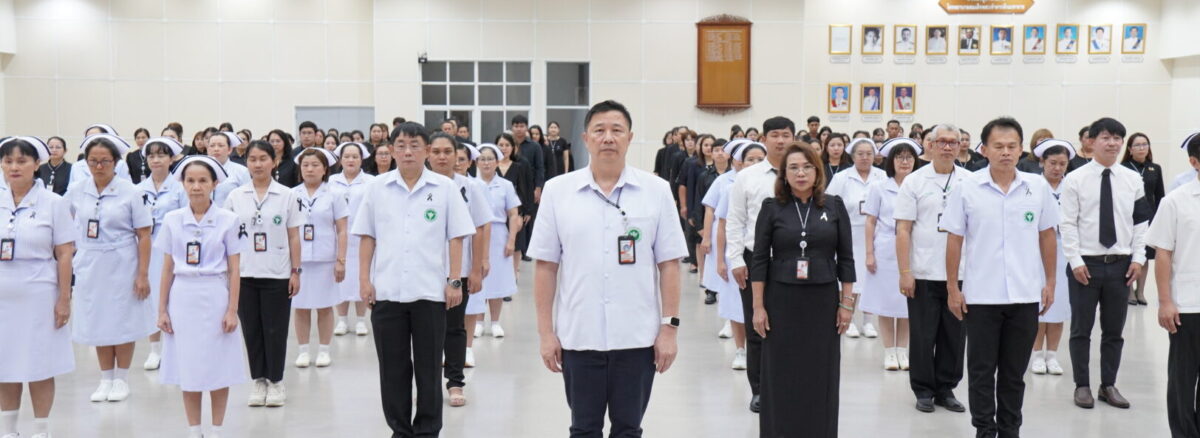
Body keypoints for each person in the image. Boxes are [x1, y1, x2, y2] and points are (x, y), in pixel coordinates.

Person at [530, 100, 686, 437]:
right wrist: (545, 333)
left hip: (637, 337)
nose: (608, 138)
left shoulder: (656, 191)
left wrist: (669, 329)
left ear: (630, 137)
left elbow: (670, 264)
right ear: (586, 138)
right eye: (599, 130)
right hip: (579, 336)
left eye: (617, 130)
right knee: (583, 429)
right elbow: (545, 266)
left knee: (628, 429)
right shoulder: (558, 191)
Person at [940, 117, 1059, 438]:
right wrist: (952, 288)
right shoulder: (967, 188)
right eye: (998, 146)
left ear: (1021, 150)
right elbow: (954, 239)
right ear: (984, 150)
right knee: (981, 372)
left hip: (1024, 295)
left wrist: (1050, 282)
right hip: (981, 297)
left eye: (1011, 146)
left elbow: (1047, 235)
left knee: (1013, 374)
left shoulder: (1036, 187)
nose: (1006, 152)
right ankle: (984, 429)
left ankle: (1010, 430)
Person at [354, 122, 475, 437]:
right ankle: (400, 430)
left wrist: (455, 281)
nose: (408, 152)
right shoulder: (377, 188)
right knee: (392, 369)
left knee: (429, 368)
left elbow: (456, 237)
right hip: (387, 292)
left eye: (415, 145)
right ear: (391, 150)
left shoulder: (445, 188)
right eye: (401, 145)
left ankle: (427, 430)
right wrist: (364, 280)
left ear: (426, 150)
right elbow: (367, 236)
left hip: (430, 293)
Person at [751, 143, 855, 438]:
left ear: (817, 171)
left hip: (822, 302)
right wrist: (758, 306)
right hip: (781, 302)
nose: (801, 173)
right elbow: (759, 259)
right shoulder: (772, 207)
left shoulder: (833, 206)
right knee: (781, 370)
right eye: (794, 167)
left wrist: (846, 303)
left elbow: (846, 258)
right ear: (784, 174)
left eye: (807, 167)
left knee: (820, 370)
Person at [154, 155, 246, 438]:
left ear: (214, 184)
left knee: (218, 366)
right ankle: (194, 430)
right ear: (182, 184)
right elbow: (167, 268)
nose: (196, 186)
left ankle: (216, 430)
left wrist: (232, 310)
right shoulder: (172, 220)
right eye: (190, 180)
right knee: (188, 367)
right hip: (183, 297)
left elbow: (234, 269)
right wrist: (162, 309)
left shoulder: (229, 220)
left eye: (203, 180)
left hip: (215, 295)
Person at [1060, 117, 1148, 409]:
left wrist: (1138, 258)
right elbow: (1067, 223)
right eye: (1106, 138)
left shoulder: (1132, 179)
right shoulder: (1075, 179)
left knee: (1114, 331)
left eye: (1117, 138)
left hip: (1121, 266)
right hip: (1085, 265)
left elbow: (1140, 223)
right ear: (1091, 141)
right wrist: (1075, 260)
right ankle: (1082, 385)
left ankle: (1108, 385)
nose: (1112, 143)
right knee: (1081, 330)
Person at [66, 133, 155, 404]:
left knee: (122, 319)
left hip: (122, 262)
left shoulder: (131, 191)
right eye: (93, 161)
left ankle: (121, 379)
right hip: (90, 263)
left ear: (116, 162)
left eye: (105, 160)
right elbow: (66, 223)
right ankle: (105, 378)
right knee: (98, 319)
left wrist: (142, 274)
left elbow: (144, 234)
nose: (99, 166)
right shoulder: (77, 190)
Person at [0, 137, 75, 438]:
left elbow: (65, 253)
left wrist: (64, 298)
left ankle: (41, 430)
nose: (14, 167)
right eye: (8, 161)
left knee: (39, 363)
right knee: (5, 363)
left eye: (21, 161)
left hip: (39, 293)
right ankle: (8, 430)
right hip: (3, 295)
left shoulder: (54, 203)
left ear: (36, 164)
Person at [894, 124, 969, 414]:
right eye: (942, 142)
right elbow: (903, 229)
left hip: (960, 274)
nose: (948, 147)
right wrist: (905, 272)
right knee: (923, 335)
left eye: (953, 142)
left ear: (960, 146)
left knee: (954, 335)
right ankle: (923, 389)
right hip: (923, 271)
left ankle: (946, 389)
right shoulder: (914, 181)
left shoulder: (970, 180)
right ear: (931, 145)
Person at [223, 141, 303, 408]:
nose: (257, 164)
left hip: (277, 273)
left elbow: (294, 236)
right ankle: (258, 380)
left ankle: (276, 381)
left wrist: (295, 271)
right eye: (252, 159)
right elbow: (228, 238)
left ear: (274, 162)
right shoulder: (236, 196)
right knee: (252, 331)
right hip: (245, 273)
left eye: (263, 159)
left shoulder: (287, 195)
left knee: (275, 330)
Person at [727, 115, 796, 413]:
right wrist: (734, 259)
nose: (780, 140)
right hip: (755, 258)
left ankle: (788, 387)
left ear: (793, 138)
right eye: (775, 135)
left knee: (791, 326)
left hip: (794, 261)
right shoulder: (748, 176)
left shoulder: (803, 172)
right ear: (764, 139)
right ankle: (759, 389)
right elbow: (735, 220)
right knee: (757, 326)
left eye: (786, 135)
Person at [427, 133, 492, 408]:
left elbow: (480, 228)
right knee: (426, 331)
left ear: (457, 156)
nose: (442, 157)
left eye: (448, 152)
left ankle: (455, 382)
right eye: (437, 152)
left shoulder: (470, 187)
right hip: (425, 270)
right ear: (428, 154)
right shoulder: (420, 185)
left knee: (454, 328)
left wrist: (476, 269)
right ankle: (428, 385)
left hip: (459, 270)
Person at [1148, 132, 1200, 437]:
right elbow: (1163, 253)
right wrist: (1165, 301)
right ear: (1194, 162)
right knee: (1182, 378)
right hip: (1188, 304)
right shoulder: (1175, 201)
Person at [863, 139, 920, 370]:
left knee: (906, 302)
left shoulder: (919, 185)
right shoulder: (878, 187)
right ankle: (889, 351)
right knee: (886, 302)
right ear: (891, 161)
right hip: (885, 247)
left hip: (913, 248)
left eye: (909, 157)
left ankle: (902, 351)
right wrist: (869, 253)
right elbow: (870, 221)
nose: (905, 162)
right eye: (899, 157)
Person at [290, 148, 348, 369]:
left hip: (325, 258)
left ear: (325, 169)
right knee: (301, 306)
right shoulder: (291, 194)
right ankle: (303, 351)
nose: (310, 169)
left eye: (315, 165)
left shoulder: (335, 194)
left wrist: (341, 260)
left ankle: (324, 350)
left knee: (324, 306)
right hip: (299, 260)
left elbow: (342, 230)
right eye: (305, 165)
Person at [467, 142, 522, 367]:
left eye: (490, 159)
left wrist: (512, 240)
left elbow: (514, 214)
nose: (486, 163)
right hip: (477, 234)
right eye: (482, 159)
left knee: (497, 280)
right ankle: (479, 321)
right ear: (476, 162)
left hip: (499, 234)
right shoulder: (471, 184)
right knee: (478, 278)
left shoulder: (506, 185)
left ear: (497, 162)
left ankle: (496, 322)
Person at [135, 137, 188, 371]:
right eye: (151, 156)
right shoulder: (138, 189)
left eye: (161, 155)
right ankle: (154, 350)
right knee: (150, 299)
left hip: (172, 250)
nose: (156, 160)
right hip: (147, 250)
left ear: (171, 159)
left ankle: (173, 348)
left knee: (172, 297)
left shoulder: (180, 188)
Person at [827, 138, 886, 339]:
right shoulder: (842, 177)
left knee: (871, 278)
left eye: (869, 154)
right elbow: (830, 203)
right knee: (850, 277)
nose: (865, 157)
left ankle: (868, 321)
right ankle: (849, 319)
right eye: (860, 154)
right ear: (852, 156)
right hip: (849, 234)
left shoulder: (882, 176)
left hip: (875, 234)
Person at [1029, 139, 1077, 376]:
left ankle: (1052, 355)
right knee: (1040, 303)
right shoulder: (1033, 186)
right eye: (1053, 163)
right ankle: (1037, 354)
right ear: (1042, 162)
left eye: (1062, 164)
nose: (1057, 168)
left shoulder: (1072, 186)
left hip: (1065, 251)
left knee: (1059, 305)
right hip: (1037, 251)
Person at [700, 139, 744, 362]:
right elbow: (711, 210)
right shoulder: (723, 182)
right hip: (725, 236)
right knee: (728, 285)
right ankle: (731, 322)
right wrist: (706, 237)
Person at [329, 143, 375, 337]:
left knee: (361, 277)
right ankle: (342, 319)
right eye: (346, 156)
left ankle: (361, 320)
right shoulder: (331, 181)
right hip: (338, 237)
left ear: (361, 159)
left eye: (355, 156)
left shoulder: (371, 181)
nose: (350, 160)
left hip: (362, 237)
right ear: (340, 159)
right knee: (340, 279)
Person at [1120, 133, 1164, 305]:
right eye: (1137, 145)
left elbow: (1160, 196)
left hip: (1149, 216)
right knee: (1130, 253)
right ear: (1130, 149)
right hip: (1128, 216)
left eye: (1145, 144)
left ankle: (1141, 291)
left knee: (1144, 254)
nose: (1141, 148)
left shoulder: (1155, 168)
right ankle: (1129, 291)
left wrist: (1160, 218)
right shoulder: (1123, 168)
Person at [495, 133, 535, 277]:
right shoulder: (491, 166)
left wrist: (526, 212)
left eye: (507, 145)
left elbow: (526, 189)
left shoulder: (520, 166)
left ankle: (513, 275)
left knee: (516, 244)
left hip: (515, 213)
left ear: (513, 148)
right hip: (496, 213)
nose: (504, 148)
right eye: (501, 145)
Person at [207, 132, 252, 207]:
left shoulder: (241, 171)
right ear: (208, 149)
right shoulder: (200, 171)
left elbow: (248, 199)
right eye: (212, 146)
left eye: (220, 145)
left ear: (229, 150)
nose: (216, 149)